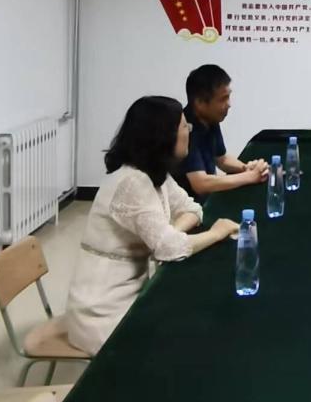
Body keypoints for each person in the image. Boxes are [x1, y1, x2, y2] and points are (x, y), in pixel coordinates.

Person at [64, 96, 239, 355]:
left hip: (129, 292)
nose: (189, 131)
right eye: (184, 126)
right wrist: (216, 233)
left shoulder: (155, 173)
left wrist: (169, 235)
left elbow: (192, 209)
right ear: (164, 136)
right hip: (102, 312)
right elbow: (169, 249)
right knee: (191, 333)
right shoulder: (132, 182)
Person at [176, 64, 268, 202]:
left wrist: (246, 168)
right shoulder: (185, 129)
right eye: (223, 99)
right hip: (189, 206)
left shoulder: (210, 119)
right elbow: (200, 184)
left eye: (228, 97)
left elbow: (222, 159)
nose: (229, 104)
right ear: (200, 103)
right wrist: (250, 176)